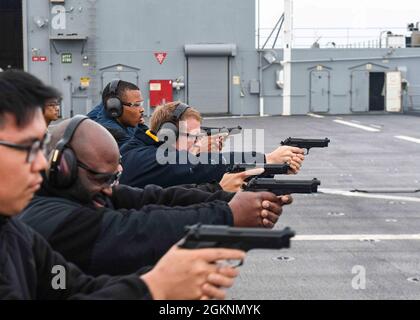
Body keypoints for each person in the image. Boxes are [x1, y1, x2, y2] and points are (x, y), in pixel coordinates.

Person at [0, 69, 246, 300]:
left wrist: (223, 201)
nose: (42, 163)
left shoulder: (17, 236)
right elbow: (132, 227)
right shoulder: (42, 220)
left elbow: (69, 288)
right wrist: (153, 287)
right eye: (27, 148)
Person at [20, 115, 291, 276]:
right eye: (102, 178)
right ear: (63, 168)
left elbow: (154, 199)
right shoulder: (46, 217)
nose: (109, 187)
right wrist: (229, 214)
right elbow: (138, 229)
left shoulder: (84, 191)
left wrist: (227, 198)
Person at [120, 101, 305, 188]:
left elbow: (214, 171)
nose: (198, 141)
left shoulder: (150, 148)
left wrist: (274, 168)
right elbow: (198, 166)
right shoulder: (141, 158)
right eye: (192, 136)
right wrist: (267, 159)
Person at [89, 80, 146, 147]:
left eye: (141, 104)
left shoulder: (111, 110)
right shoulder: (112, 132)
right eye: (136, 105)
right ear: (116, 107)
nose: (142, 109)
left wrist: (141, 127)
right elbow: (137, 151)